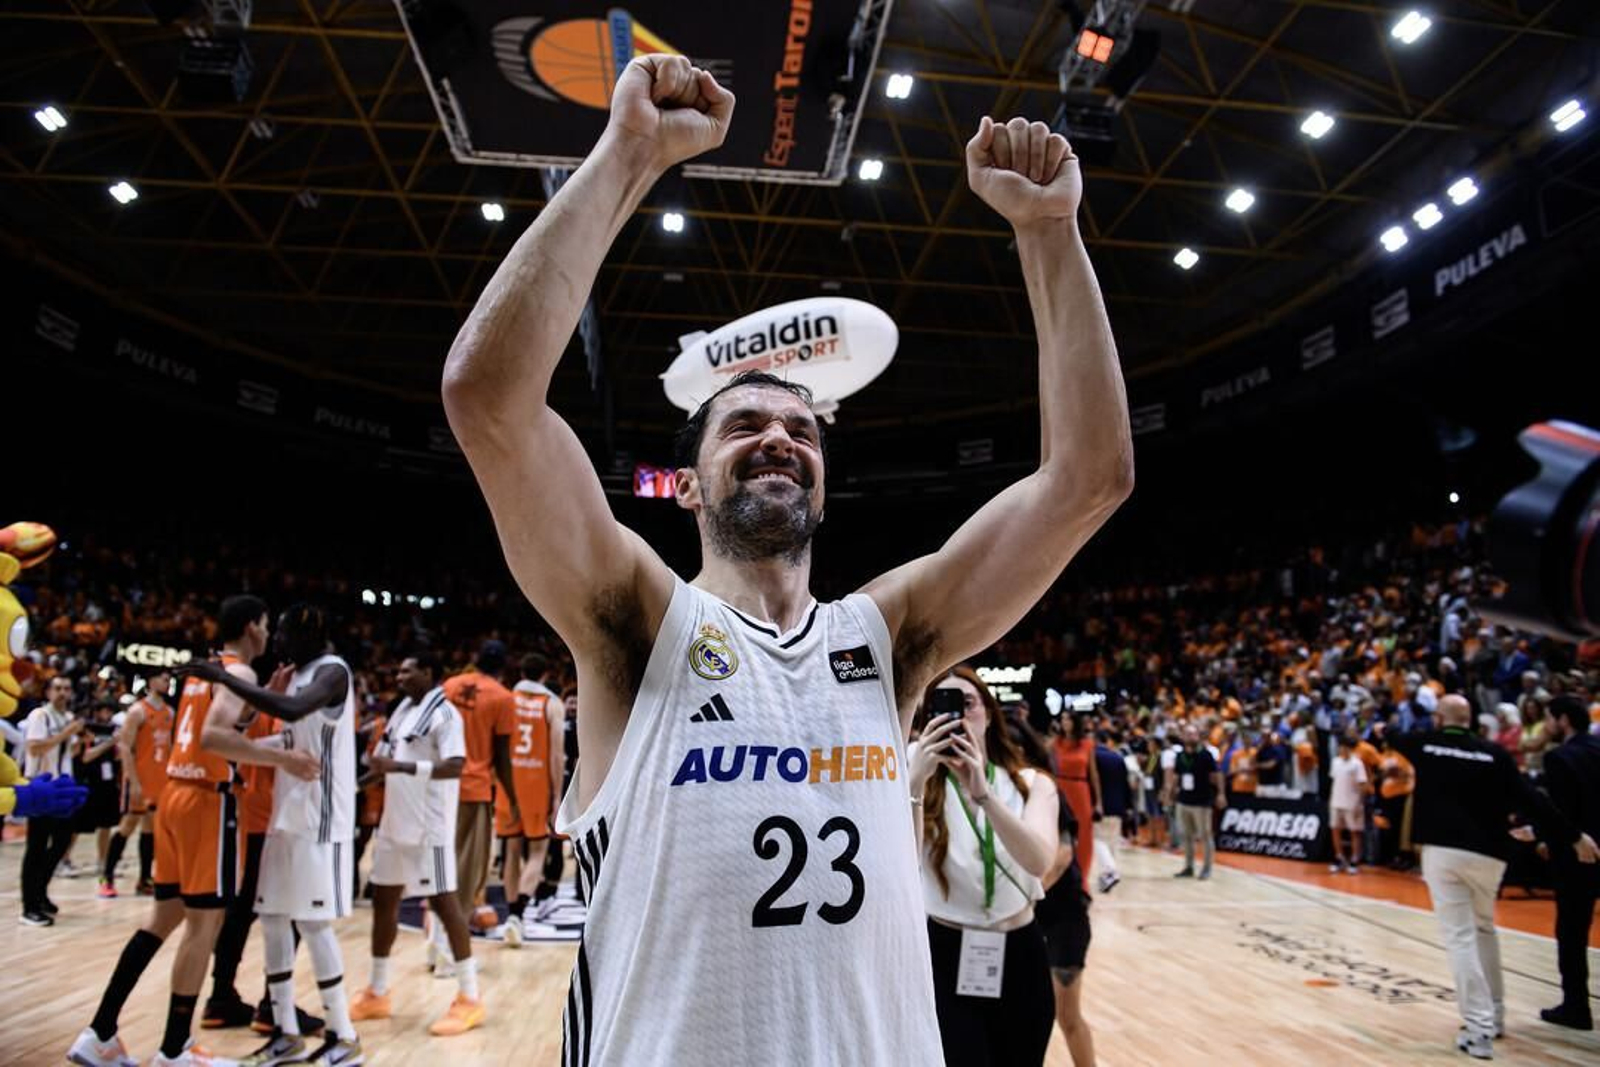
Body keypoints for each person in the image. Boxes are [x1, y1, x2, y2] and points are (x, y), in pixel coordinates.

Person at [441, 52, 1131, 1066]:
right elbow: (487, 398)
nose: (779, 436)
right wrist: (629, 152)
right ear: (686, 484)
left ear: (820, 476)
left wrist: (1048, 232)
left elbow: (1089, 479)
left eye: (801, 429)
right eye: (744, 424)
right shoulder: (637, 622)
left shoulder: (889, 634)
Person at [68, 595, 320, 1067]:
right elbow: (214, 738)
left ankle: (99, 1032)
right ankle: (174, 1048)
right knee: (204, 926)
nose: (268, 634)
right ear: (250, 627)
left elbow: (218, 725)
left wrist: (267, 693)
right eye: (265, 625)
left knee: (162, 920)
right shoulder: (239, 674)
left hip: (175, 797)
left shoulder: (209, 672)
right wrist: (287, 758)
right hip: (207, 801)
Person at [185, 603, 365, 1067]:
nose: (278, 641)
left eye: (283, 632)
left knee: (312, 924)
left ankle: (343, 1035)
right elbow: (288, 737)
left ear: (309, 631)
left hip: (321, 819)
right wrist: (239, 747)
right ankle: (285, 1030)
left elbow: (293, 709)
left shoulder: (333, 672)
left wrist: (226, 678)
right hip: (287, 814)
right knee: (270, 919)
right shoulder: (296, 673)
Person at [1393, 694, 1599, 1060]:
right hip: (1490, 856)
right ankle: (1497, 1014)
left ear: (1440, 719)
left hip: (1445, 852)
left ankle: (1479, 1028)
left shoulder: (1426, 743)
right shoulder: (1495, 754)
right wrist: (1574, 836)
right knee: (1484, 929)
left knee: (1460, 937)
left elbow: (1393, 734)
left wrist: (1392, 728)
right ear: (1471, 720)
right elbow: (1534, 800)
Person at [909, 668, 1060, 1066]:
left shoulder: (1031, 783)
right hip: (947, 947)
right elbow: (901, 865)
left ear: (990, 715)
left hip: (1019, 947)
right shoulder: (915, 774)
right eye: (941, 708)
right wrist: (913, 785)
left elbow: (1039, 861)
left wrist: (984, 795)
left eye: (968, 704)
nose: (957, 716)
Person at [349, 652, 483, 1037]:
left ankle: (470, 997)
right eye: (399, 669)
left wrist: (403, 769)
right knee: (383, 902)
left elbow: (456, 766)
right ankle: (377, 990)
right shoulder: (403, 710)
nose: (399, 674)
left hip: (430, 828)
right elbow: (384, 766)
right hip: (395, 825)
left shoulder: (446, 715)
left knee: (446, 905)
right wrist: (348, 790)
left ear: (429, 671)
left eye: (408, 670)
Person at [439, 639, 518, 962]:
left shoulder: (450, 685)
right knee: (467, 871)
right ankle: (448, 948)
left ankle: (436, 938)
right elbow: (501, 756)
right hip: (473, 789)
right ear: (502, 668)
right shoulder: (502, 697)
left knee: (440, 864)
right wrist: (513, 798)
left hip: (439, 785)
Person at [1535, 694, 1600, 1030]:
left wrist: (1543, 836)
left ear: (1563, 721)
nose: (1547, 725)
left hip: (1577, 856)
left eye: (1549, 718)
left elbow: (1560, 812)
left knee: (1572, 932)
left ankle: (1576, 1007)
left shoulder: (1559, 758)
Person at [499, 652, 565, 943]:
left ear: (522, 672)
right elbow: (556, 755)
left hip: (507, 782)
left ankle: (510, 911)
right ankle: (518, 913)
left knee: (511, 850)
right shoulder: (551, 703)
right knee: (538, 851)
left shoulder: (505, 699)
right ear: (544, 676)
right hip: (536, 782)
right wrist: (557, 796)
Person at [20, 673, 83, 925]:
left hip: (62, 786)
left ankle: (40, 892)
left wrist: (78, 741)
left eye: (66, 689)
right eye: (57, 688)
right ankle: (29, 906)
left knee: (62, 842)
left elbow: (69, 750)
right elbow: (34, 748)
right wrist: (66, 734)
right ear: (48, 692)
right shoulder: (40, 715)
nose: (62, 693)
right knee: (36, 847)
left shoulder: (68, 717)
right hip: (40, 785)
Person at [104, 670, 173, 898]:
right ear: (151, 681)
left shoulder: (169, 712)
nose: (167, 682)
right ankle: (107, 876)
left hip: (159, 778)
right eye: (163, 678)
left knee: (150, 828)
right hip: (139, 778)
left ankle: (144, 879)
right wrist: (133, 782)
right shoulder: (138, 711)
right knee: (128, 825)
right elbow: (124, 747)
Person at [76, 698, 125, 894]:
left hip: (108, 782)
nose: (106, 714)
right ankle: (65, 859)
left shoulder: (114, 729)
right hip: (89, 782)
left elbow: (118, 757)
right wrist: (110, 743)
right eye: (102, 711)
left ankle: (102, 860)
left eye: (109, 711)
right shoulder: (88, 730)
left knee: (106, 825)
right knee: (79, 826)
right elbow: (86, 756)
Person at [1165, 724, 1223, 880]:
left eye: (1193, 734)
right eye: (1188, 734)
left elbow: (1216, 775)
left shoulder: (1206, 755)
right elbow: (1176, 777)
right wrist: (1170, 795)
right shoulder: (1180, 756)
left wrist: (1220, 794)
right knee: (1187, 836)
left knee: (1205, 835)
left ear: (1198, 736)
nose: (1191, 737)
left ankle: (1207, 868)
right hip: (1184, 801)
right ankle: (1188, 867)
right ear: (1183, 737)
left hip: (1202, 802)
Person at [1091, 731, 1127, 893]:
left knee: (1097, 839)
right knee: (1112, 841)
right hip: (1118, 805)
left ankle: (1110, 870)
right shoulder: (1118, 758)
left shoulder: (1093, 757)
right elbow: (1125, 785)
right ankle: (1106, 879)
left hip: (1100, 805)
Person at [1327, 734, 1368, 874]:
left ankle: (1355, 859)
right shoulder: (1335, 762)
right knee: (1335, 829)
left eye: (1344, 747)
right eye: (1340, 747)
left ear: (1349, 749)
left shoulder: (1357, 764)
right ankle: (1339, 857)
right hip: (1336, 802)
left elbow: (1362, 785)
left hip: (1352, 803)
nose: (1341, 749)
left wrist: (1359, 804)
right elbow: (1334, 781)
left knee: (1354, 832)